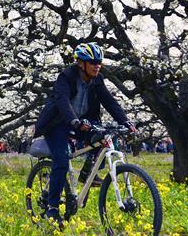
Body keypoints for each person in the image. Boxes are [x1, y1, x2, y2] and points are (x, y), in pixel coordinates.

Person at [32, 42, 136, 226]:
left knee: (105, 138)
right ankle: (53, 209)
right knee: (62, 161)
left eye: (99, 62)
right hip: (58, 124)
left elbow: (110, 102)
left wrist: (125, 121)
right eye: (93, 62)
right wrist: (73, 121)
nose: (97, 65)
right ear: (81, 63)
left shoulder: (98, 79)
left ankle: (88, 173)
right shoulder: (66, 77)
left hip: (84, 122)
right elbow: (62, 101)